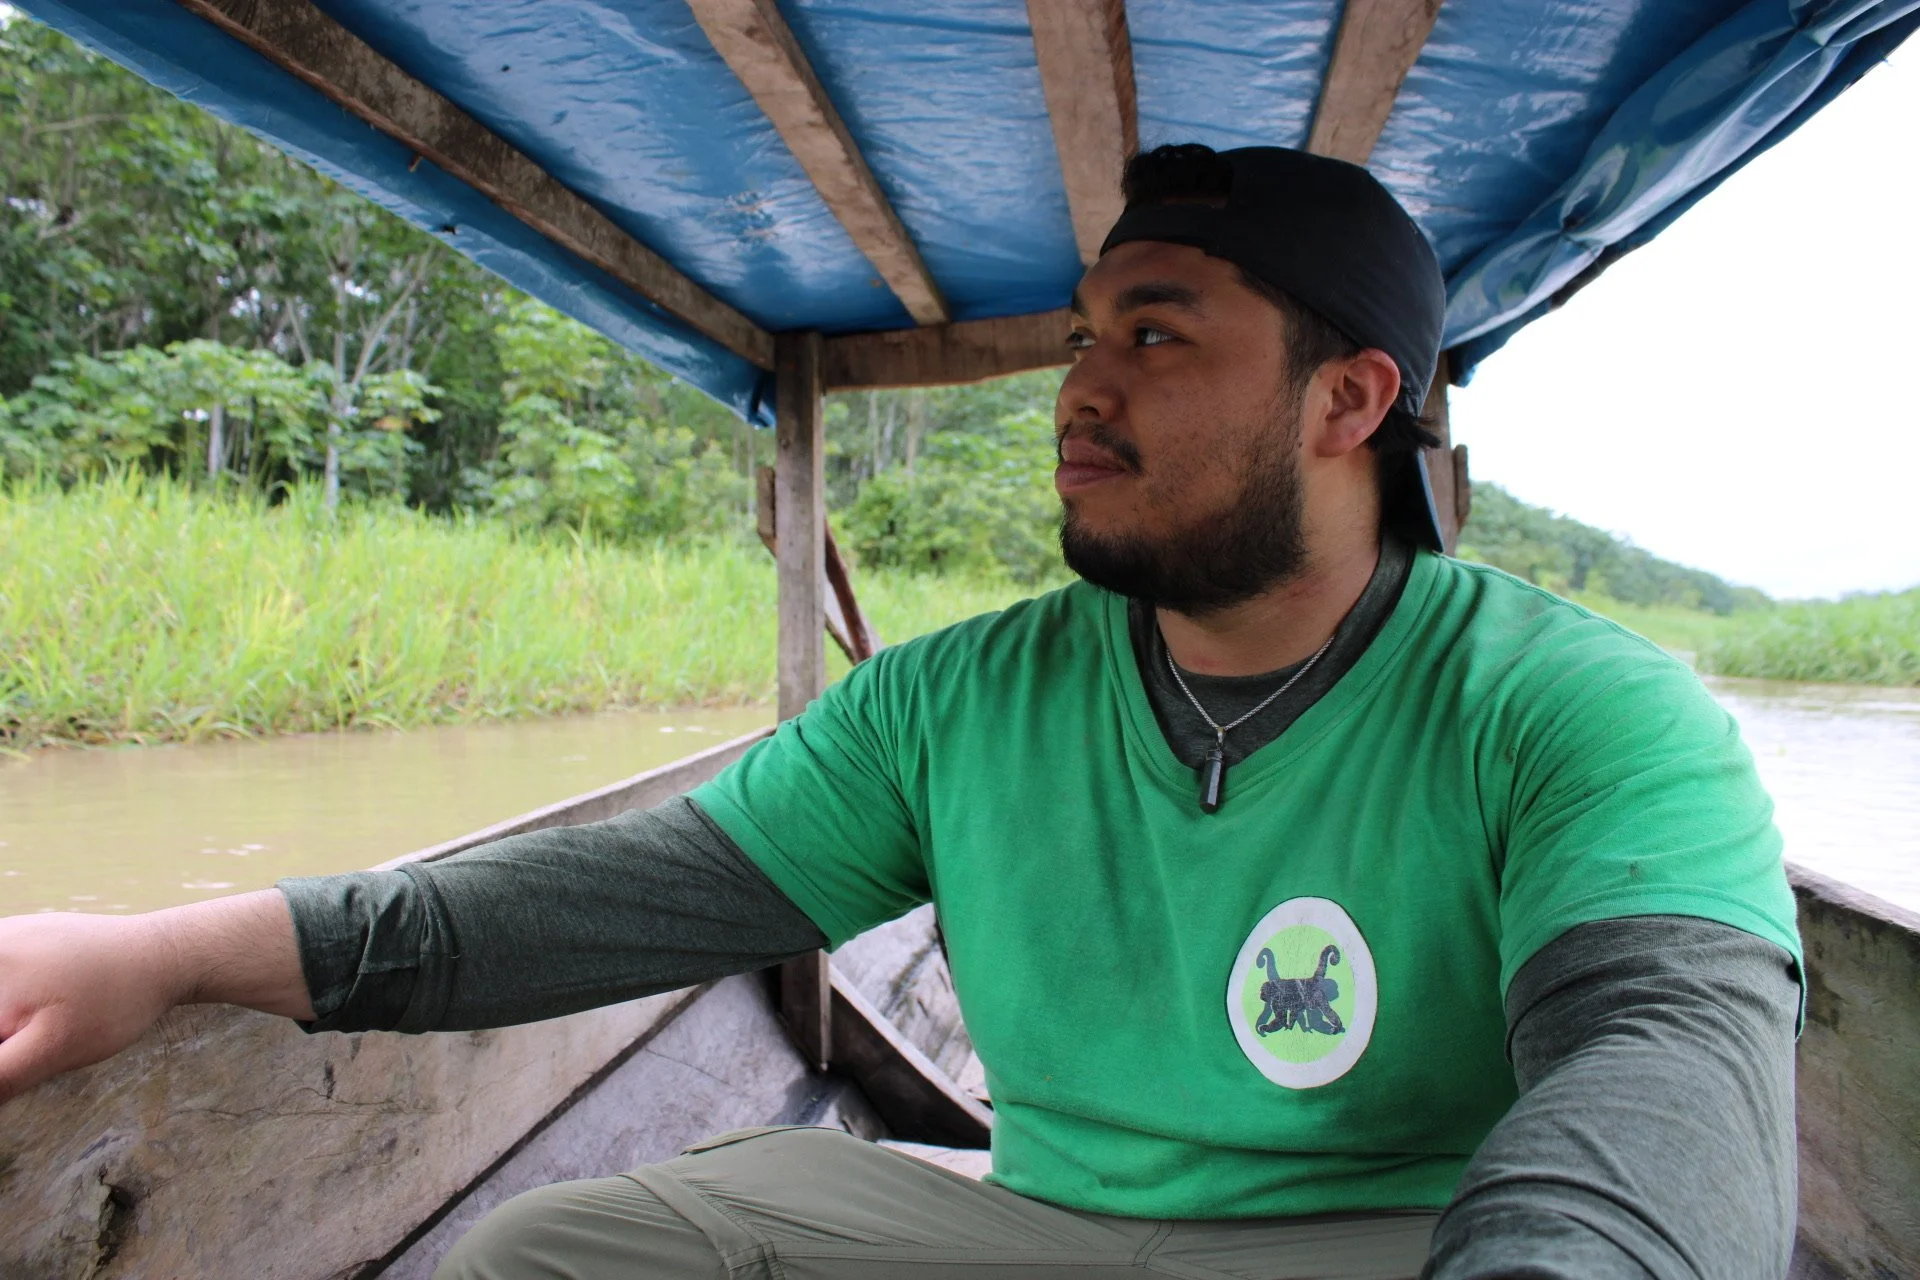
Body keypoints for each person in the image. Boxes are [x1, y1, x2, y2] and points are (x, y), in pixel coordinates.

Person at [0, 144, 1802, 1280]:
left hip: (1396, 1239)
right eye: (1082, 338)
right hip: (1032, 1218)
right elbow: (604, 902)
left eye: (1157, 337)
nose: (1079, 392)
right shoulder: (963, 700)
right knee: (556, 1251)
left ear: (1347, 400)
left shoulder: (1578, 707)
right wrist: (166, 951)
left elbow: (1663, 1060)